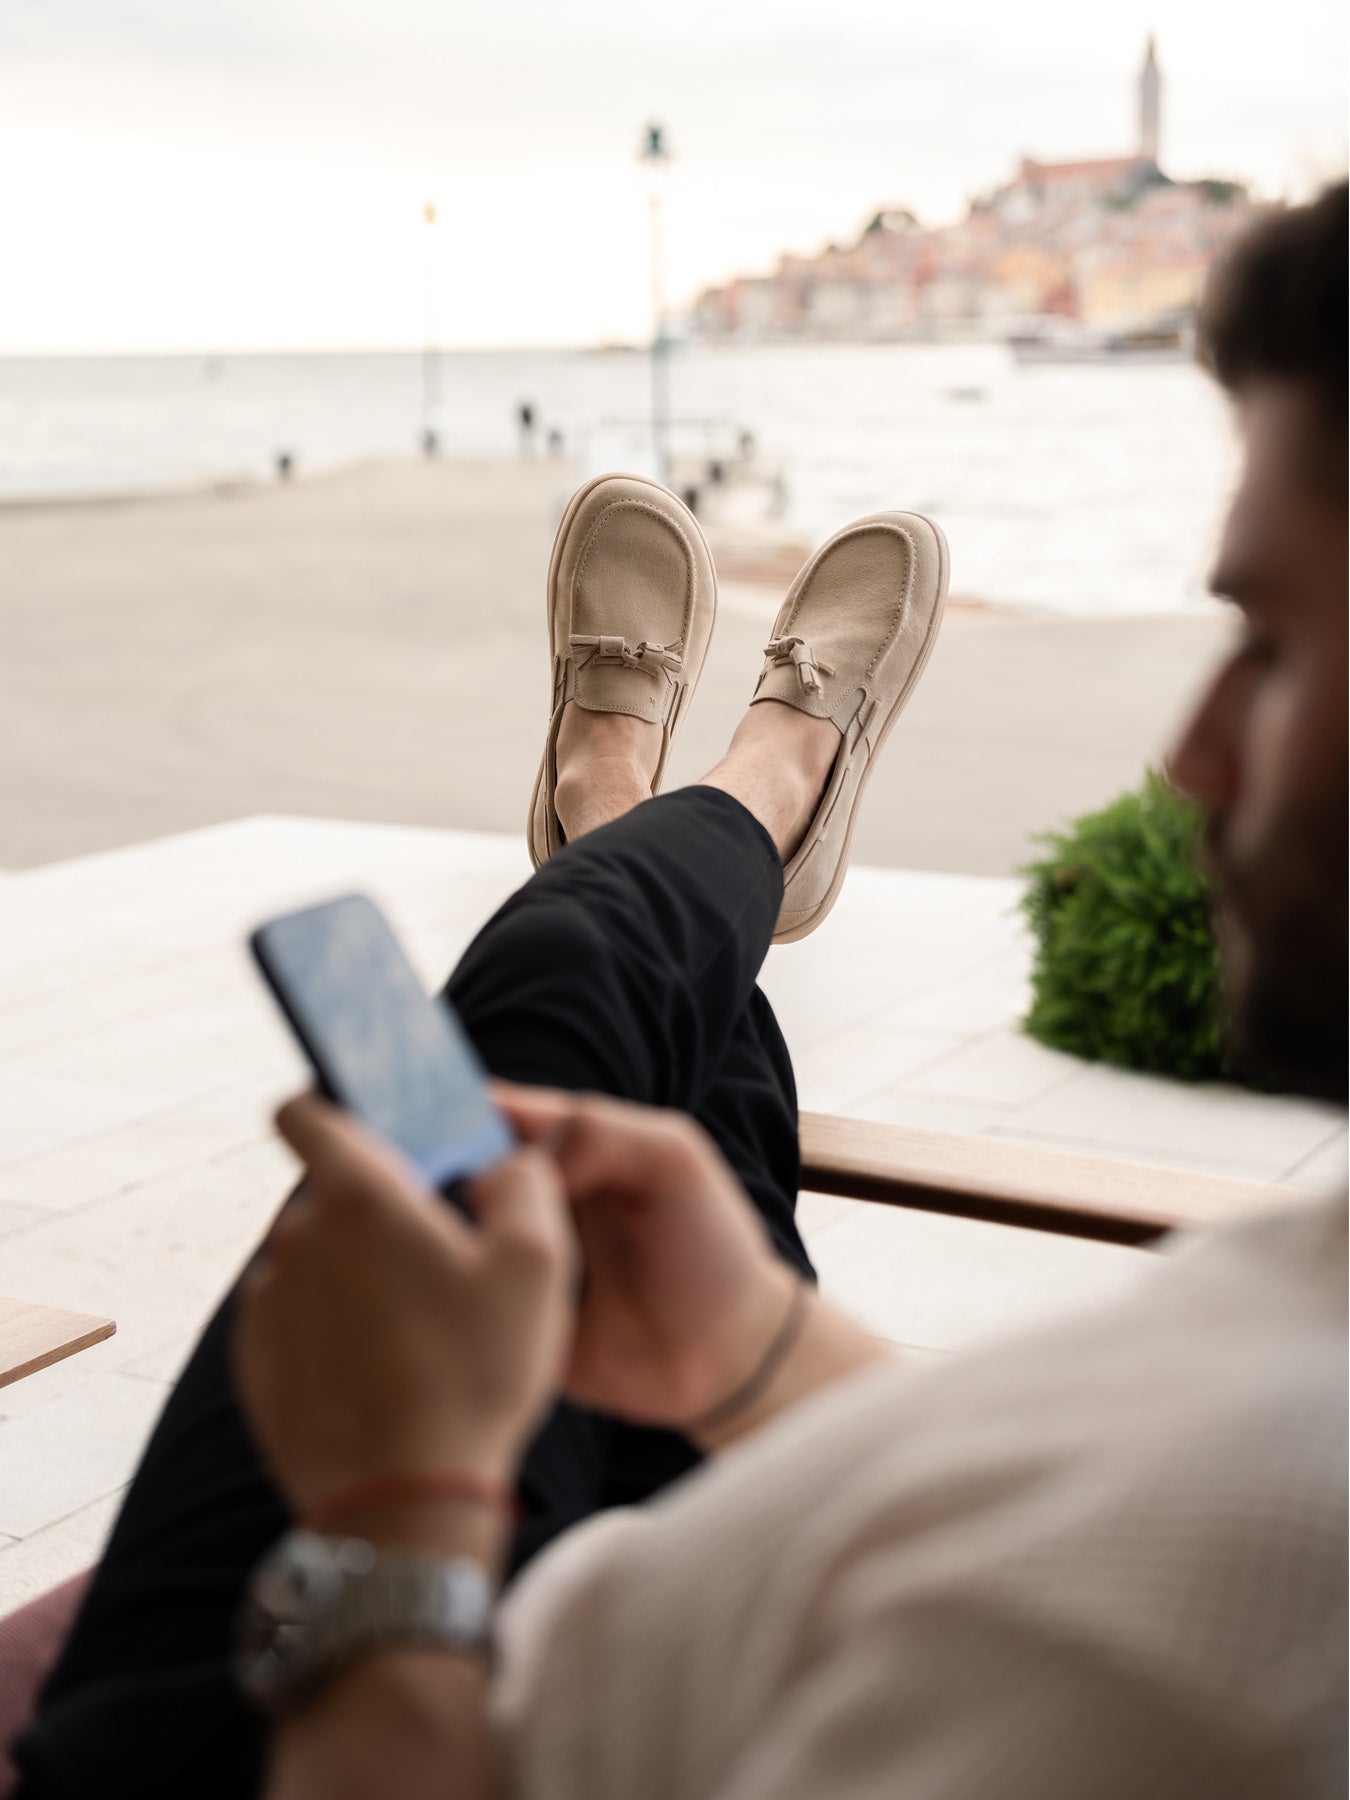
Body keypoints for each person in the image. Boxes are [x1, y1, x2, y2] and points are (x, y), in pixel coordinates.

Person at [15, 186, 1347, 1799]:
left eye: (1272, 650)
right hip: (643, 1544)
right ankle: (745, 792)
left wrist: (399, 1509)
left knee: (565, 995)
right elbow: (1087, 1511)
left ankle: (660, 807)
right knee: (623, 1077)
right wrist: (754, 1353)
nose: (1187, 756)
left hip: (259, 1729)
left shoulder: (1276, 1593)